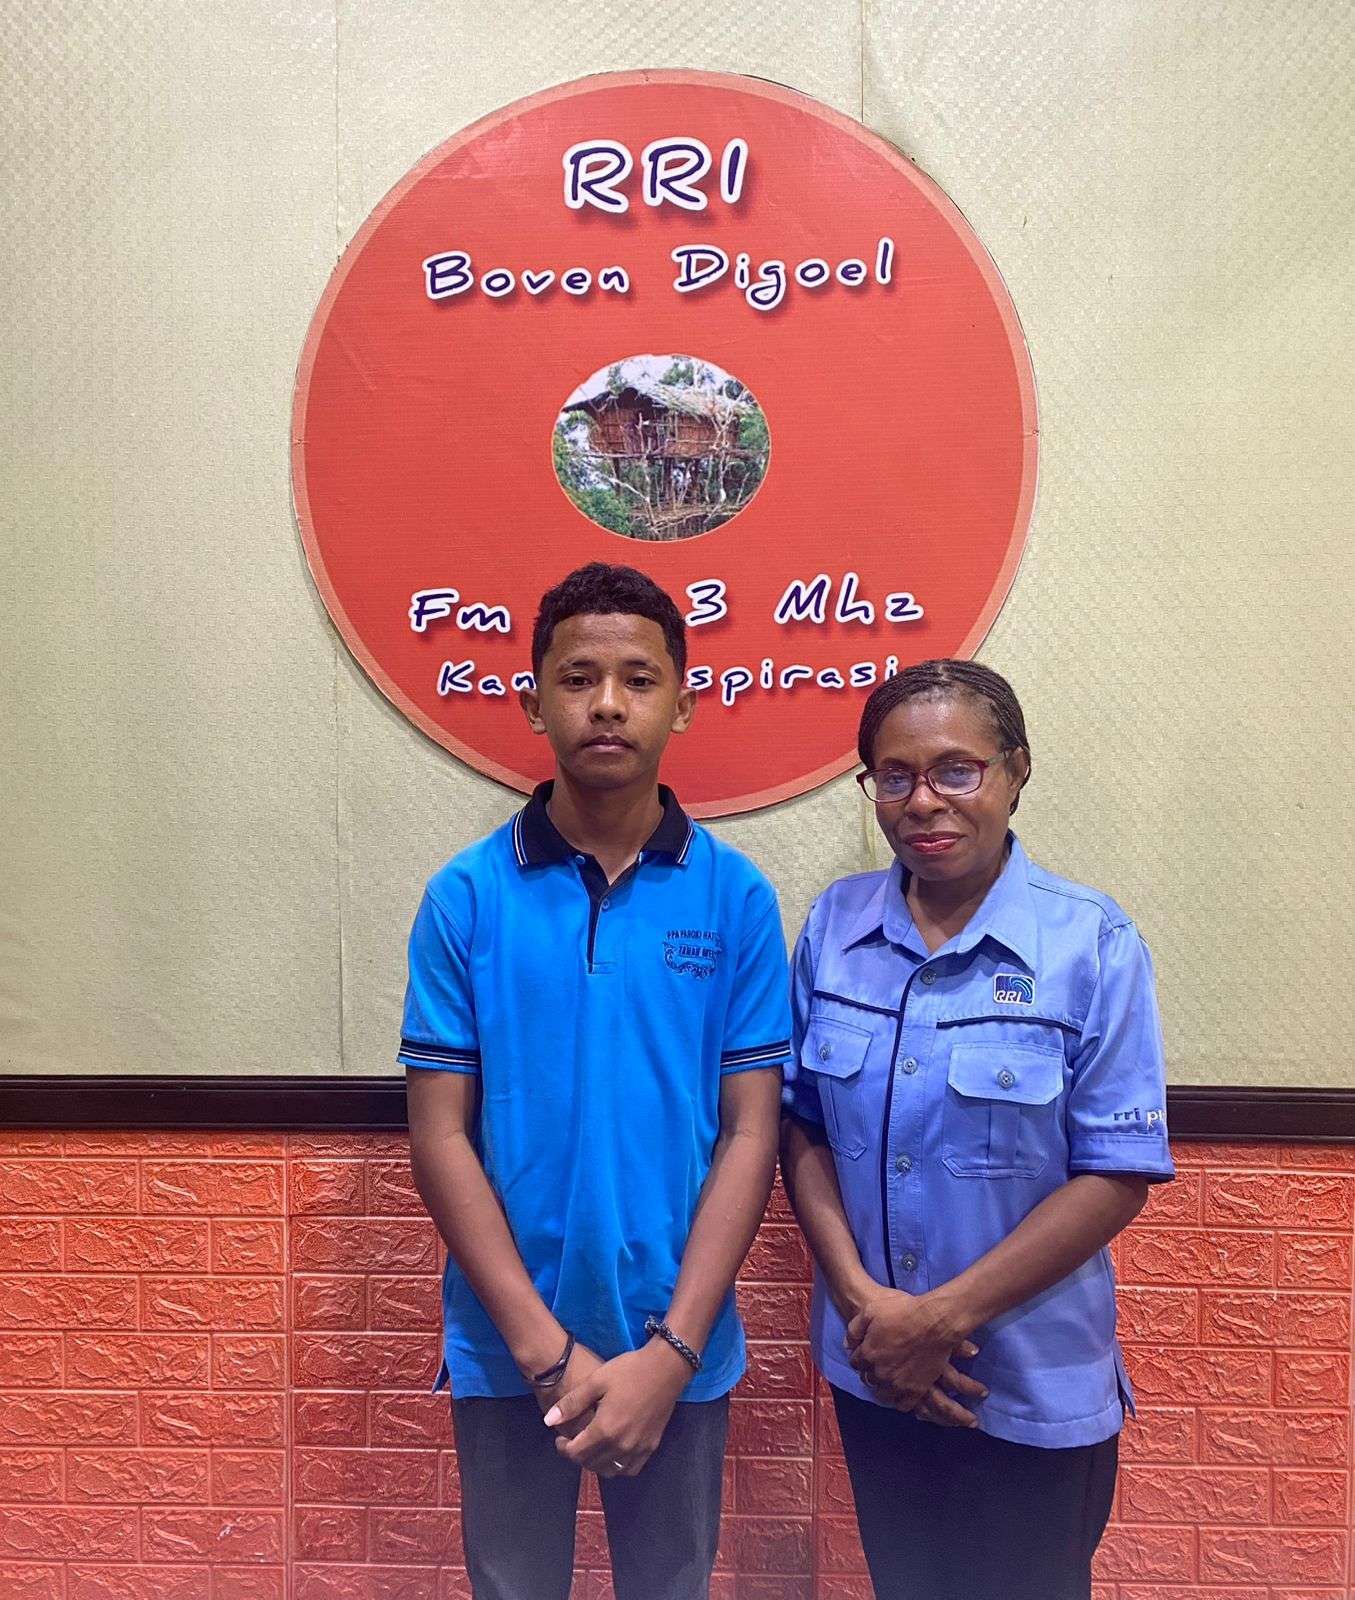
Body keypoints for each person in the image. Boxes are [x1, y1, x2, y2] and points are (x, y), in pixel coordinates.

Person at [399, 562, 789, 1600]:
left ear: (682, 703)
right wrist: (543, 1353)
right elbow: (439, 1135)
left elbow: (750, 1134)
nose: (607, 703)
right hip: (508, 1345)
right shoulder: (466, 896)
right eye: (576, 678)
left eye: (637, 679)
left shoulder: (736, 898)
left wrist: (672, 1351)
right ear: (532, 702)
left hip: (678, 1346)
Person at [780, 659, 1174, 1600]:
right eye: (894, 776)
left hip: (1029, 1380)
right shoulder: (833, 928)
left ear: (1015, 771)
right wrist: (867, 1308)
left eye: (956, 770)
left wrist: (939, 1320)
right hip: (874, 1366)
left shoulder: (1091, 943)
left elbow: (1115, 1171)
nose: (923, 801)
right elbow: (803, 1128)